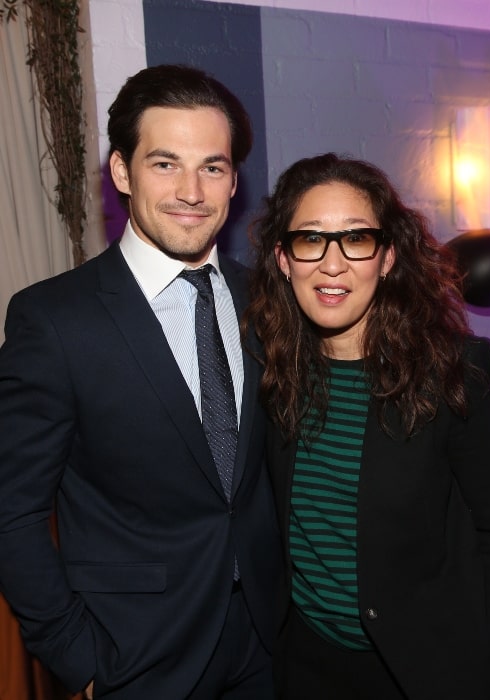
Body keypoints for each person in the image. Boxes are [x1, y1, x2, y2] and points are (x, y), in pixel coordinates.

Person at [0, 64, 283, 700]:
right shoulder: (54, 320)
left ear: (234, 180)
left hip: (267, 642)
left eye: (212, 166)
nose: (192, 190)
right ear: (122, 172)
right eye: (164, 164)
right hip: (136, 655)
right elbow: (11, 511)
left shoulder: (265, 301)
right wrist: (78, 659)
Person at [243, 152, 490, 699]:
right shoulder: (269, 370)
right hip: (305, 666)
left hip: (422, 671)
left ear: (386, 258)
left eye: (356, 239)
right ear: (283, 258)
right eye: (310, 239)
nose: (332, 264)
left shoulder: (452, 375)